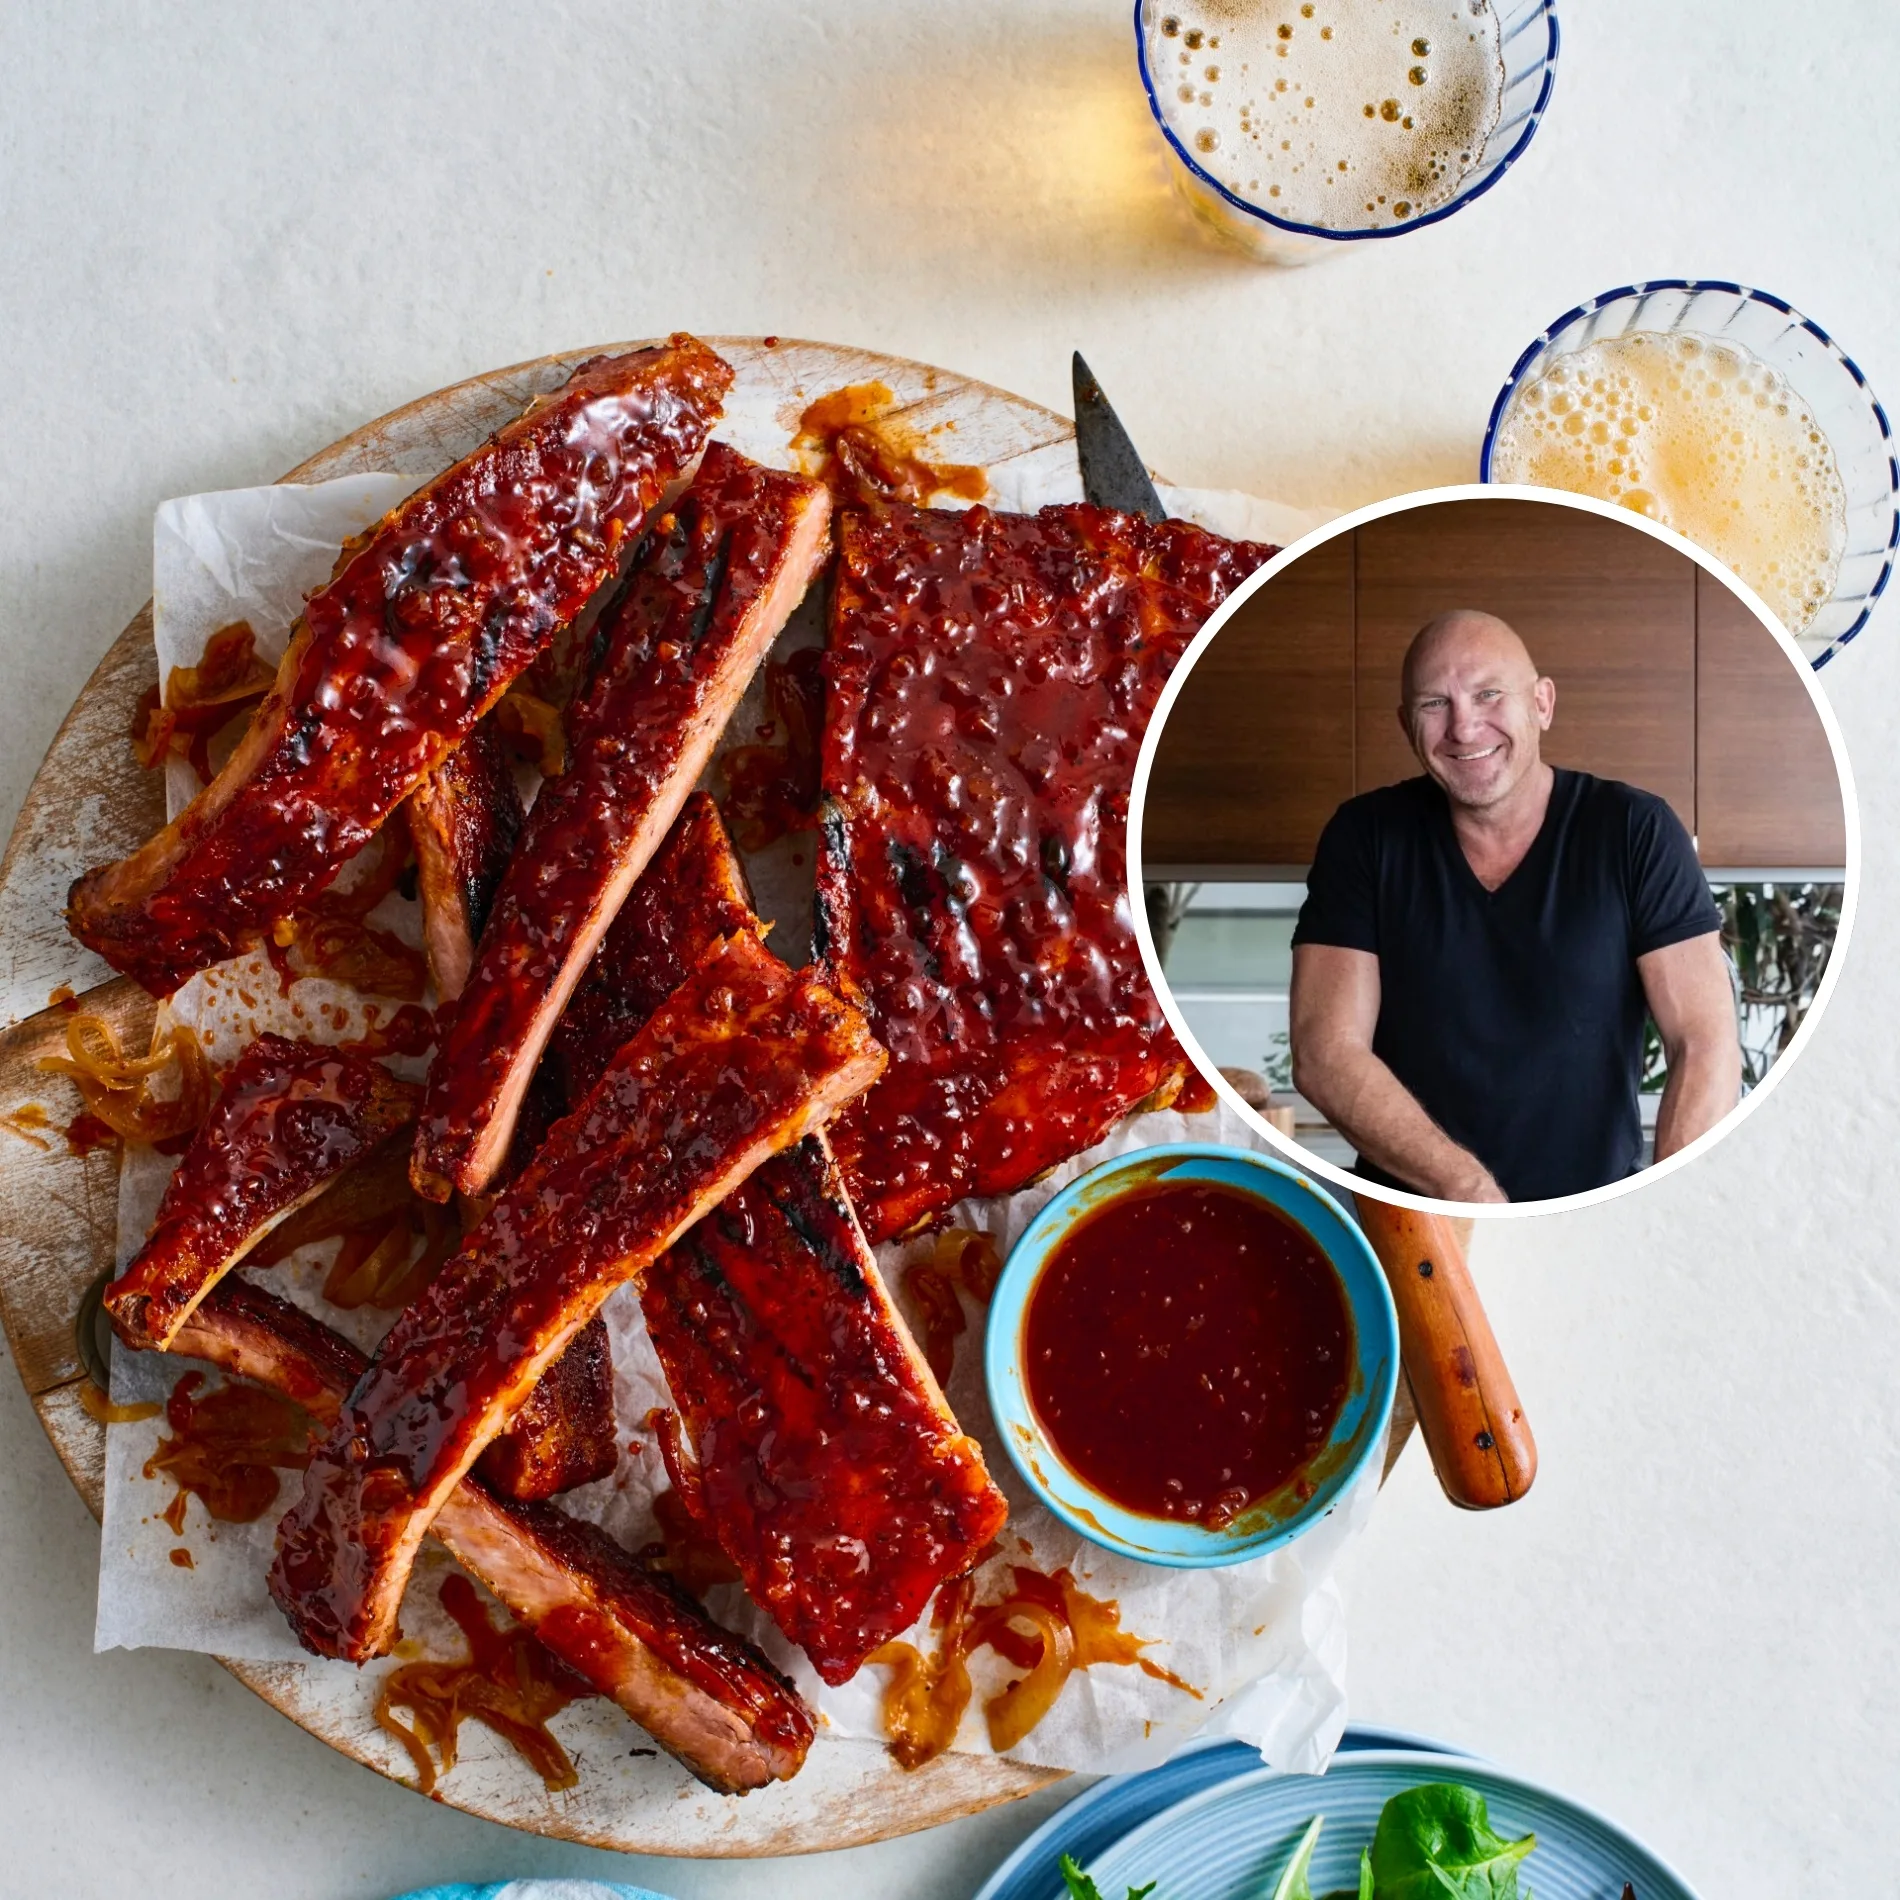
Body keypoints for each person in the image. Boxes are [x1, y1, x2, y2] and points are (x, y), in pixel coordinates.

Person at [1288, 609, 1742, 1203]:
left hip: (1594, 1209)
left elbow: (1705, 1041)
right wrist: (1464, 1185)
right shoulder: (1364, 836)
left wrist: (1665, 1206)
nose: (1464, 727)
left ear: (1542, 704)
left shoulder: (1635, 829)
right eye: (1434, 704)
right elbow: (1325, 1051)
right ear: (1406, 725)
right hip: (1411, 1215)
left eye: (1489, 694)